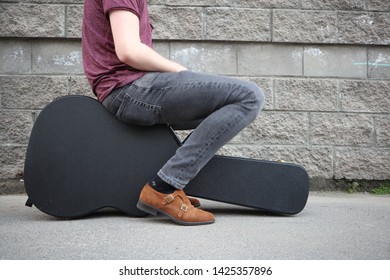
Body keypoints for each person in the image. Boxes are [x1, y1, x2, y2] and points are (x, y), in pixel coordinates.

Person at [82, 0, 265, 226]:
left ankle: (172, 183)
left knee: (225, 105)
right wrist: (181, 72)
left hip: (126, 88)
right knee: (248, 96)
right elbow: (129, 50)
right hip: (128, 89)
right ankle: (164, 187)